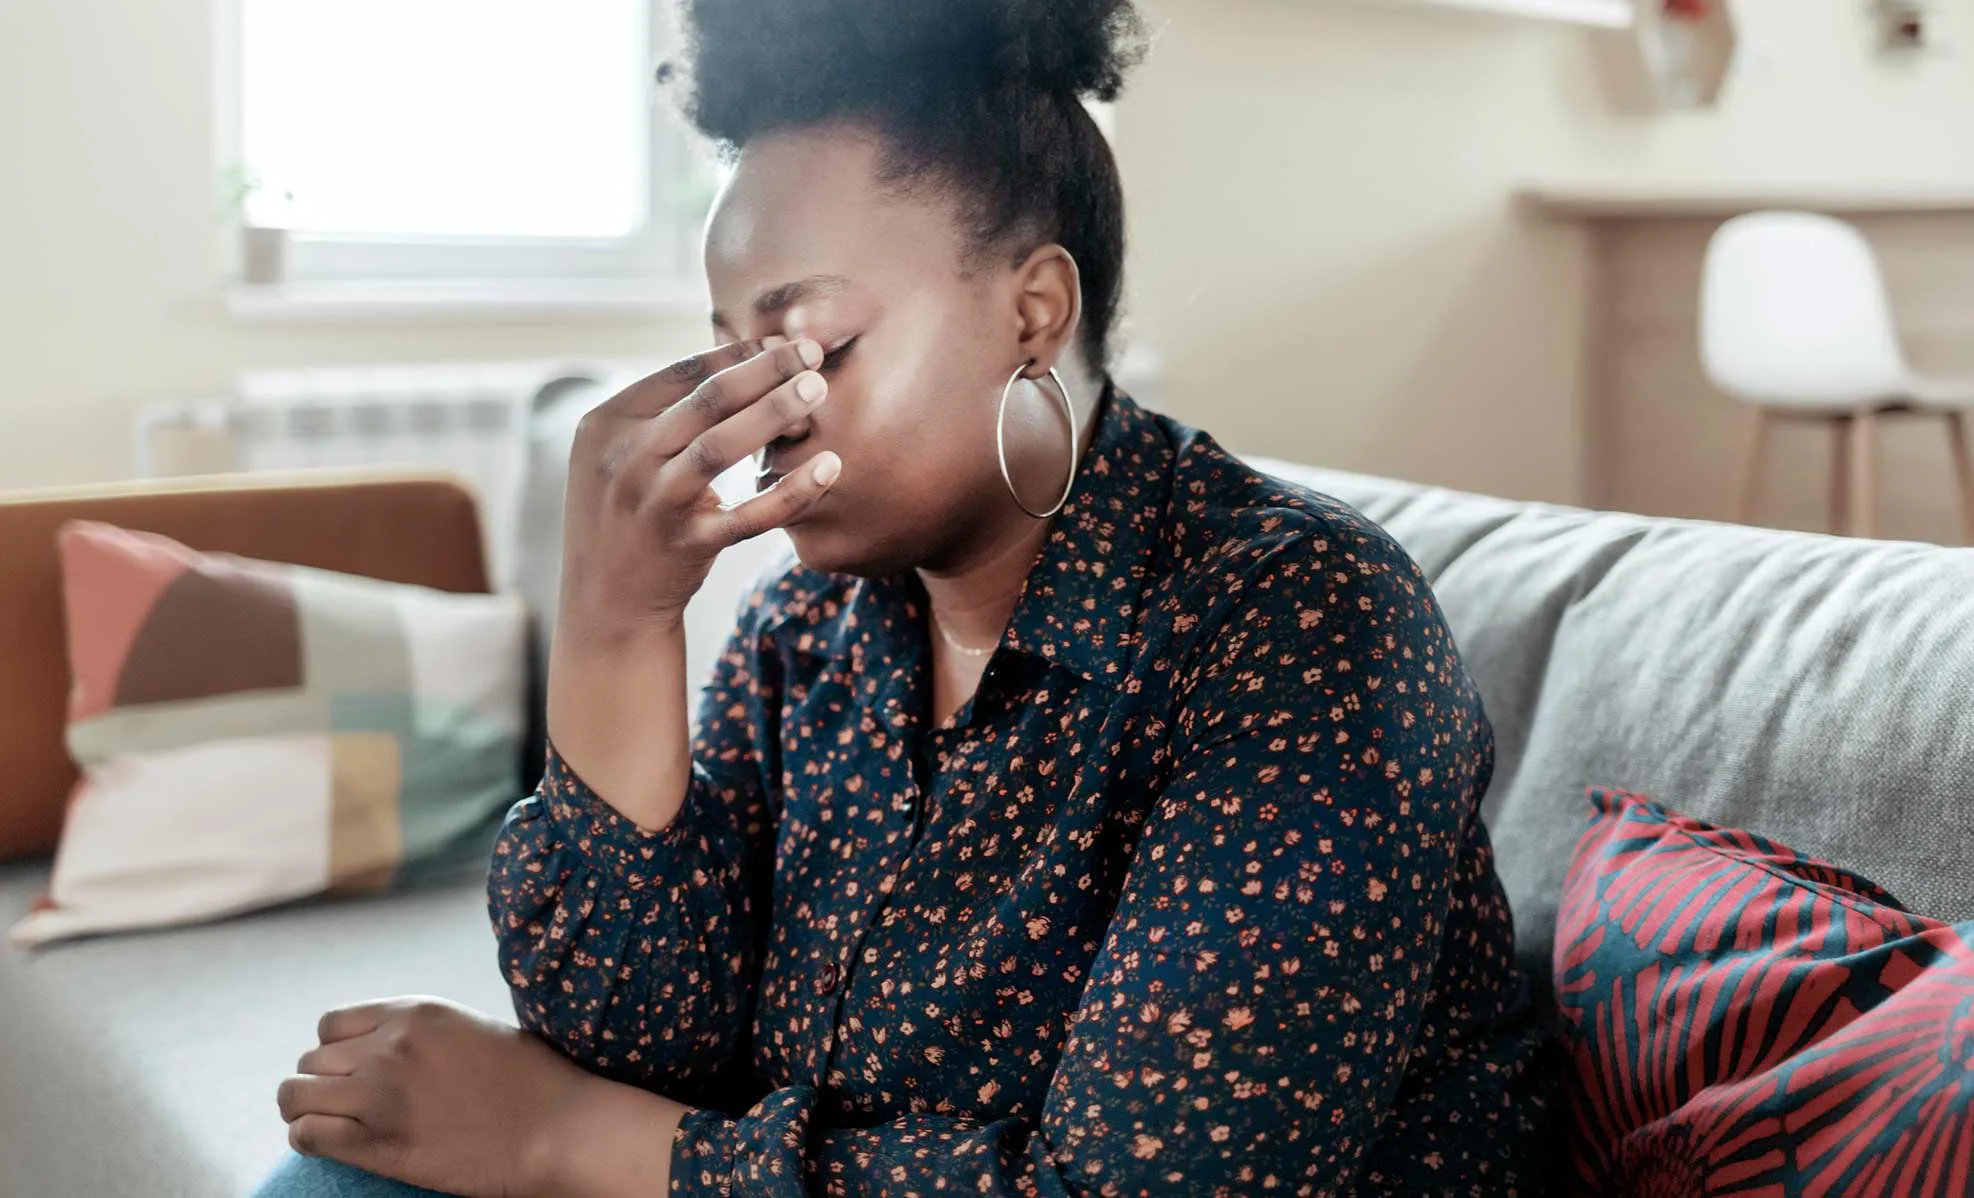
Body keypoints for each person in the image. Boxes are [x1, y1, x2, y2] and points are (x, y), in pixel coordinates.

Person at [257, 1, 1549, 1194]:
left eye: (811, 343)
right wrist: (614, 620)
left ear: (1035, 312)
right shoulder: (808, 630)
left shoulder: (1295, 621)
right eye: (727, 349)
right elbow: (636, 1036)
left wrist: (563, 1139)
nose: (757, 415)